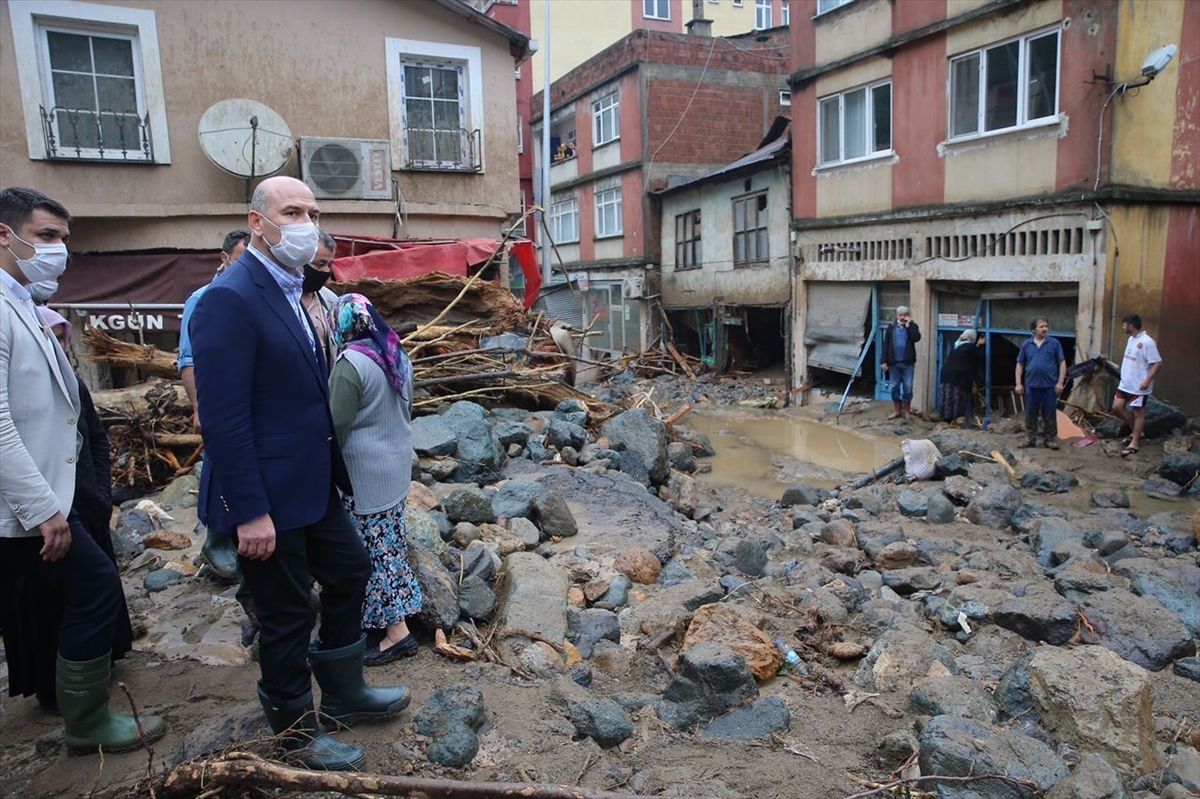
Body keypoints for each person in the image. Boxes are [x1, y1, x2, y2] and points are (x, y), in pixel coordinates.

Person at [190, 176, 408, 772]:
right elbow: (226, 419)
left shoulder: (294, 288)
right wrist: (249, 510)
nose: (306, 222)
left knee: (352, 569)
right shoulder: (230, 298)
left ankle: (344, 691)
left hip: (313, 484)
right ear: (257, 222)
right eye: (292, 211)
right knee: (285, 615)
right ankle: (295, 735)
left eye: (312, 211)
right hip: (266, 494)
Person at [1, 186, 164, 753]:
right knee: (93, 591)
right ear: (5, 234)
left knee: (83, 593)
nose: (60, 251)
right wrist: (44, 507)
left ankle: (81, 716)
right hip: (26, 504)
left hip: (51, 494)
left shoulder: (22, 304)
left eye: (64, 239)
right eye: (47, 237)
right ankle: (85, 721)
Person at [328, 293, 423, 666]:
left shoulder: (352, 363)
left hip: (364, 475)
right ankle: (400, 612)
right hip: (396, 468)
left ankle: (395, 632)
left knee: (373, 553)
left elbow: (335, 426)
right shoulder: (395, 352)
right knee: (391, 545)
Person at [178, 229, 250, 581]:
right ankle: (216, 539)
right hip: (217, 400)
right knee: (220, 465)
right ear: (224, 259)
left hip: (249, 399)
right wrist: (198, 407)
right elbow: (188, 359)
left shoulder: (255, 295)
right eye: (241, 258)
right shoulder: (202, 298)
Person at [1112, 313, 1163, 457]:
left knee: (1138, 412)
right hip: (1125, 384)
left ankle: (1134, 442)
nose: (1123, 327)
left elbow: (1158, 363)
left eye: (1124, 324)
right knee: (1117, 408)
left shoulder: (1147, 342)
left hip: (1139, 386)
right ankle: (1137, 431)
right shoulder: (1131, 339)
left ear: (1131, 325)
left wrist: (1147, 380)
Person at [1015, 317, 1066, 450]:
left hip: (1049, 386)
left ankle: (1050, 439)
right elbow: (1020, 364)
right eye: (1041, 326)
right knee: (1030, 413)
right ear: (1033, 330)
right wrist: (1018, 383)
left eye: (1046, 326)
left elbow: (1062, 363)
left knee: (1049, 413)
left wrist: (1060, 382)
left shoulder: (1054, 343)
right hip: (1031, 386)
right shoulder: (1027, 345)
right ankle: (1031, 439)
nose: (1045, 329)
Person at [302, 229, 340, 371]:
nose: (325, 271)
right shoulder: (279, 299)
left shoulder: (331, 301)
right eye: (319, 264)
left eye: (329, 265)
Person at [881, 305, 921, 420]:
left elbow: (916, 338)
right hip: (894, 364)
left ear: (908, 316)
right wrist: (883, 361)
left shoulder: (913, 327)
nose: (902, 317)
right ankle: (897, 411)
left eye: (905, 315)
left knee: (908, 387)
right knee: (894, 387)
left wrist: (909, 326)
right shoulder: (891, 328)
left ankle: (907, 411)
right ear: (897, 315)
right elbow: (885, 346)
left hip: (908, 364)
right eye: (900, 315)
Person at [938, 329, 984, 426]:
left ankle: (946, 420)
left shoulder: (956, 347)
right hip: (958, 378)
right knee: (957, 399)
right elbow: (981, 357)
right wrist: (979, 345)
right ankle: (956, 420)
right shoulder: (971, 347)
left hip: (946, 375)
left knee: (947, 397)